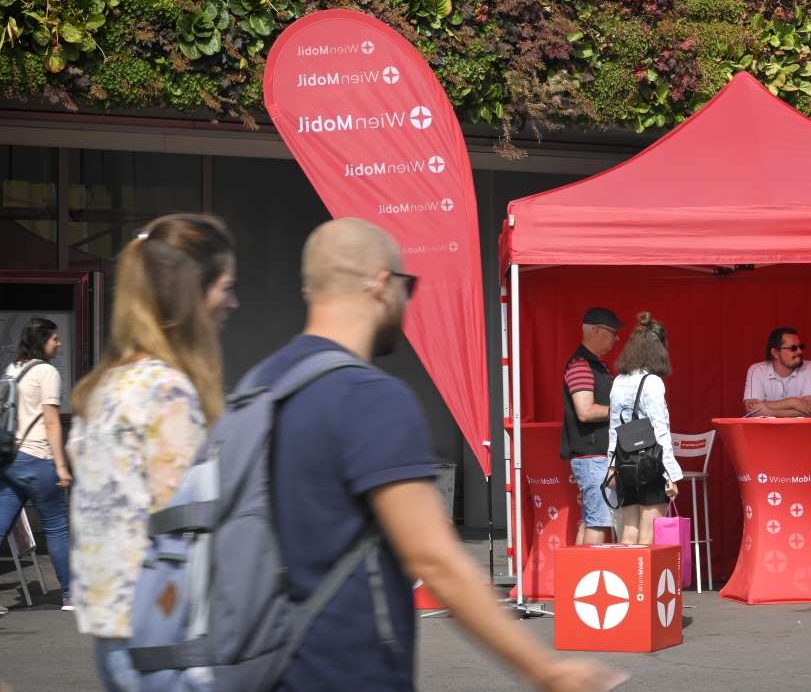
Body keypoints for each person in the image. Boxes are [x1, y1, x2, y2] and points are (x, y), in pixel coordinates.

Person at [261, 218, 621, 692]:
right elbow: (436, 560)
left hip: (266, 663)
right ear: (382, 285)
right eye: (407, 286)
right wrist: (546, 670)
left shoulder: (259, 389)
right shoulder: (370, 398)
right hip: (350, 669)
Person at [66, 214, 238, 689]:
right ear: (191, 294)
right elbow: (189, 530)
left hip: (116, 629)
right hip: (168, 633)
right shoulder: (167, 393)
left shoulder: (106, 387)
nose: (233, 303)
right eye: (225, 287)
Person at [0, 318, 73, 613]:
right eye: (54, 338)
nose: (59, 343)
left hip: (11, 459)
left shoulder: (12, 370)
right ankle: (71, 595)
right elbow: (52, 421)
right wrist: (62, 465)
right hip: (38, 460)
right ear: (42, 341)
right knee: (57, 529)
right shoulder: (47, 372)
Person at [607, 312, 682, 544]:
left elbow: (614, 427)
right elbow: (660, 431)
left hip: (625, 463)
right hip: (650, 463)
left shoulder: (618, 380)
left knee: (629, 532)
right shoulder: (653, 382)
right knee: (650, 534)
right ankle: (643, 581)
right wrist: (670, 473)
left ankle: (626, 579)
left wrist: (611, 464)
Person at [561, 307, 624, 545]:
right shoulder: (580, 365)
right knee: (599, 522)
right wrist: (623, 411)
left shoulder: (598, 365)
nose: (616, 338)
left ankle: (575, 579)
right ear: (596, 331)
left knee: (591, 520)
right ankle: (588, 577)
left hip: (598, 456)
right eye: (613, 332)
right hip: (593, 457)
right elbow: (585, 411)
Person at [743, 327, 811, 417]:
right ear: (775, 353)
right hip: (765, 430)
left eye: (800, 346)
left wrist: (770, 413)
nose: (800, 351)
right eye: (793, 348)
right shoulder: (757, 370)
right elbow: (751, 409)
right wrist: (793, 402)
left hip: (800, 430)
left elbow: (809, 412)